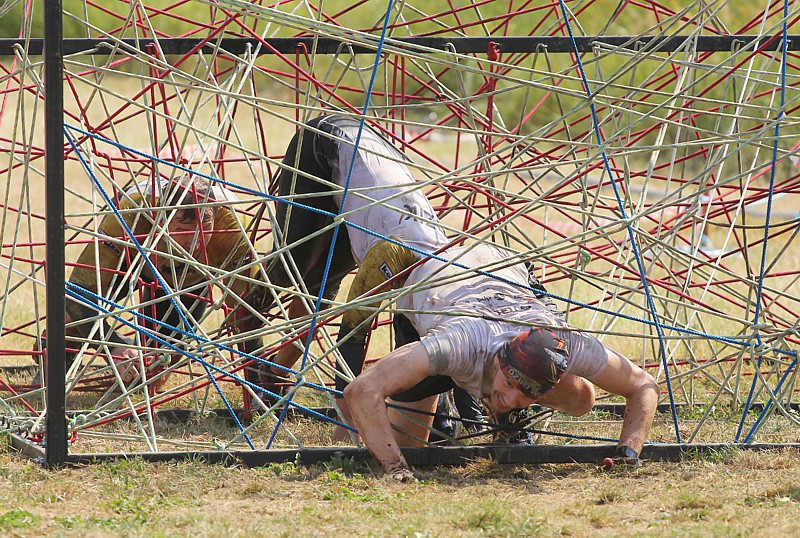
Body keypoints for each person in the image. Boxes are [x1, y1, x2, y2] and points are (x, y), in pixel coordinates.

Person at [344, 243, 660, 481]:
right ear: (498, 361)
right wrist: (397, 469)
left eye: (525, 394)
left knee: (581, 400)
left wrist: (628, 453)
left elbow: (644, 386)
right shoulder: (455, 344)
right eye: (509, 383)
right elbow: (361, 391)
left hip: (511, 278)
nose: (509, 399)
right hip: (434, 291)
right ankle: (445, 403)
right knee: (409, 446)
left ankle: (511, 421)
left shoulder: (566, 342)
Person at [246, 113, 469, 432]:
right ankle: (247, 327)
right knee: (288, 270)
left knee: (321, 287)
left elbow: (459, 356)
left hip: (367, 166)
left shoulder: (446, 281)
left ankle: (275, 372)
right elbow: (351, 338)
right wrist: (349, 420)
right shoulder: (389, 257)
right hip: (323, 145)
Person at [57, 174, 265, 386]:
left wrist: (256, 380)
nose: (194, 242)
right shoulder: (131, 214)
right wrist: (114, 346)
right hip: (134, 263)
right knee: (71, 314)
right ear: (161, 220)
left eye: (204, 230)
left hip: (189, 281)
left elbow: (246, 308)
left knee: (149, 377)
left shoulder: (232, 226)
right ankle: (58, 350)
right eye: (183, 231)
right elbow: (77, 293)